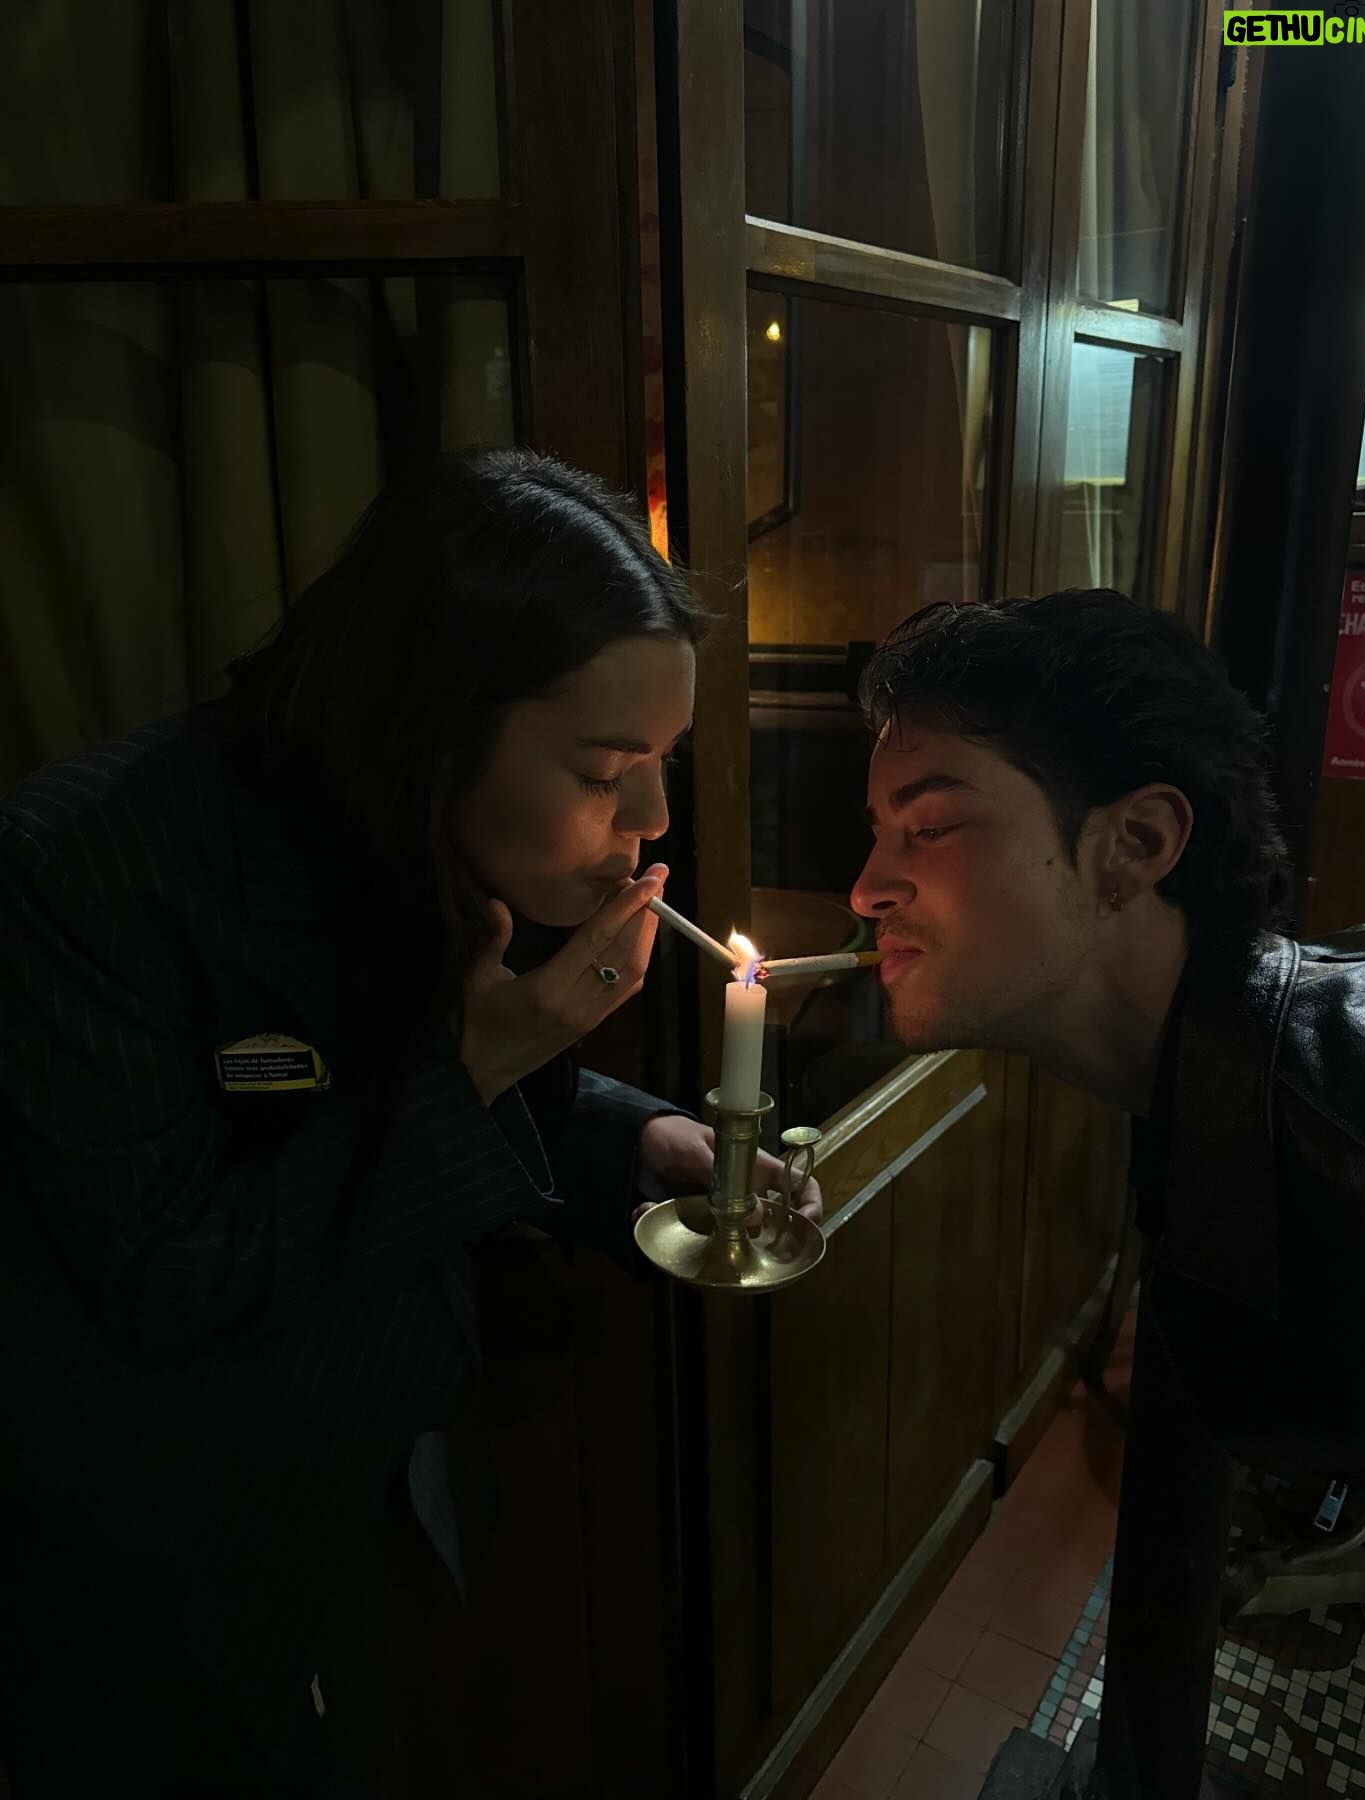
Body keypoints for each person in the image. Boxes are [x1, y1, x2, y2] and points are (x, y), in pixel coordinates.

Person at [0, 447, 819, 1799]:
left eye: (663, 760)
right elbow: (169, 1273)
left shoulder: (450, 837)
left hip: (382, 1499)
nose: (652, 820)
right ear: (432, 727)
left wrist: (636, 1142)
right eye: (609, 767)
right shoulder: (82, 875)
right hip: (163, 1560)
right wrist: (483, 1064)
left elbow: (489, 1093)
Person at [849, 589, 1365, 1561]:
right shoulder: (1224, 1086)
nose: (865, 890)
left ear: (1136, 844)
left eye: (934, 825)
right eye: (878, 830)